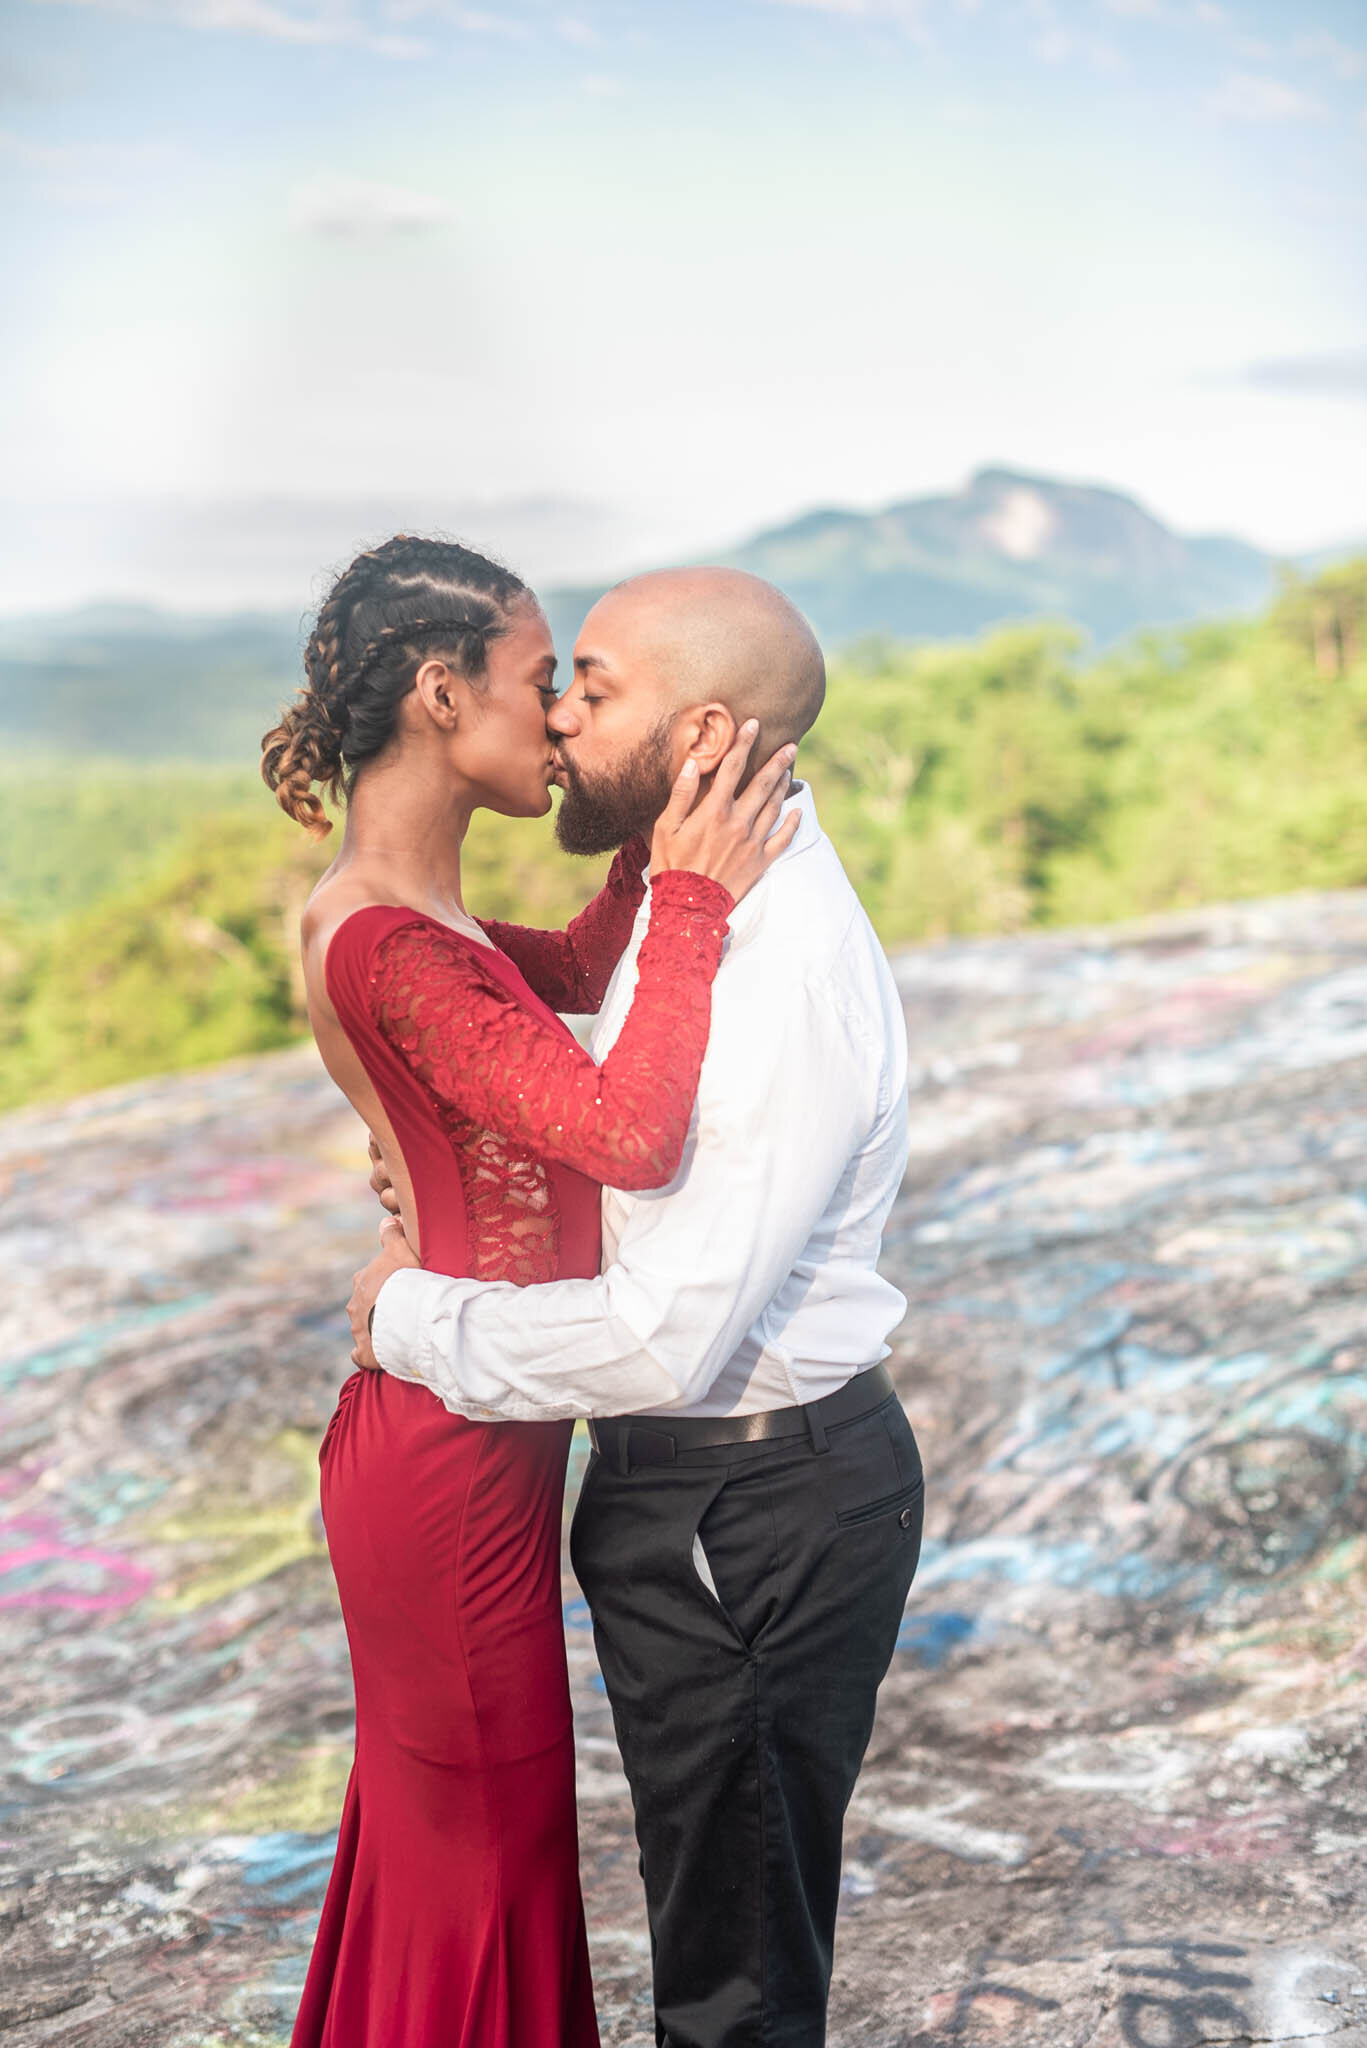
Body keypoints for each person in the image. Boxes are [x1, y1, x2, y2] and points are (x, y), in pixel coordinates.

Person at [348, 565, 922, 2048]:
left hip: (749, 1502)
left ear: (708, 733)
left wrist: (410, 1319)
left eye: (591, 689)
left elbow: (668, 1331)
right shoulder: (722, 907)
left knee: (730, 1983)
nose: (558, 715)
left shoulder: (776, 965)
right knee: (714, 1917)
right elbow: (599, 1034)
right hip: (713, 1494)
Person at [260, 534, 798, 2048]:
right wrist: (692, 903)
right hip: (442, 1466)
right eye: (540, 679)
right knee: (483, 1861)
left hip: (465, 1437)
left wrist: (665, 814)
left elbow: (570, 961)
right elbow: (627, 1133)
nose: (561, 717)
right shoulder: (384, 937)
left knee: (481, 1857)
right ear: (442, 694)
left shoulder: (416, 923)